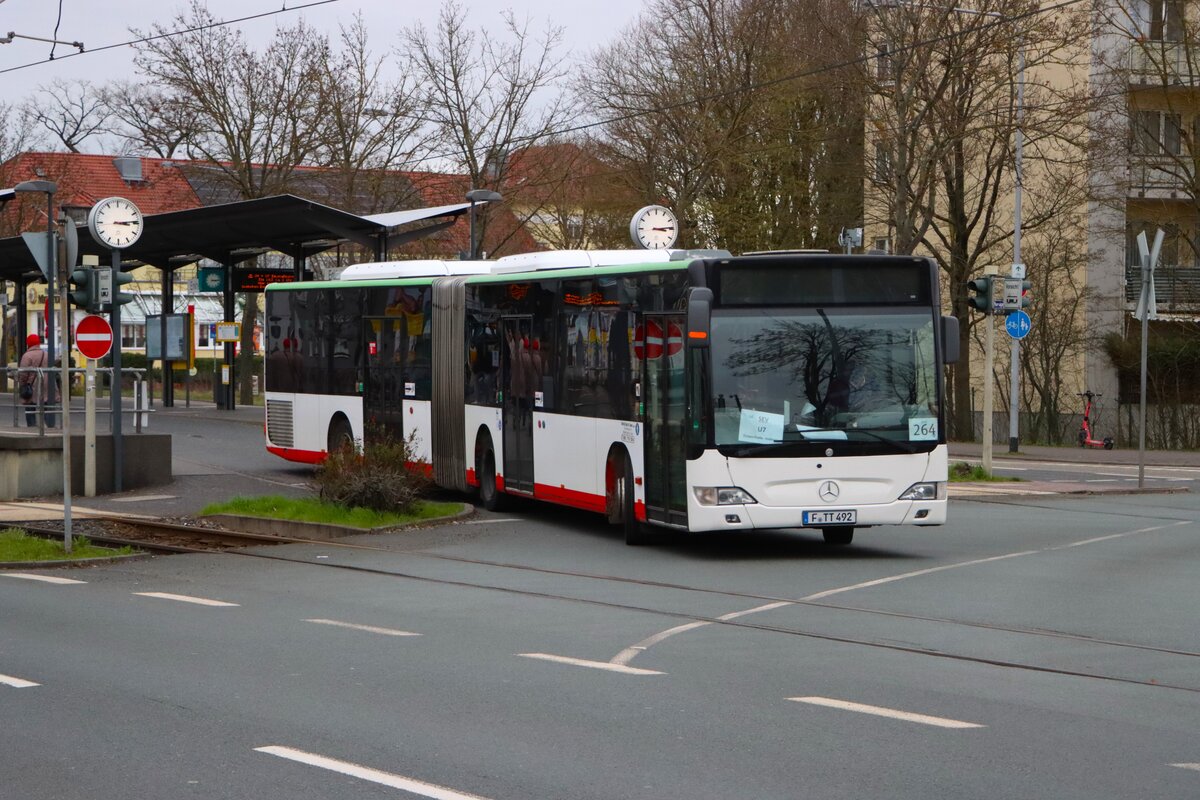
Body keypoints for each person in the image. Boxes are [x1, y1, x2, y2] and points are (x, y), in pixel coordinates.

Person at [18, 333, 59, 428]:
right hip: (47, 386)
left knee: (30, 407)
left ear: (28, 344)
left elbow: (23, 374)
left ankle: (32, 427)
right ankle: (48, 427)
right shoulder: (47, 354)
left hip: (33, 387)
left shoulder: (27, 356)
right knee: (45, 406)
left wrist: (22, 384)